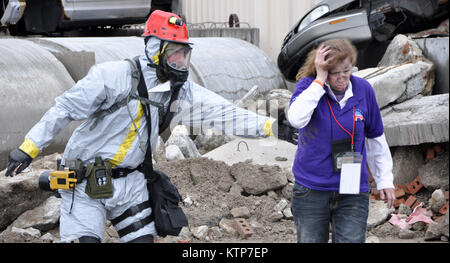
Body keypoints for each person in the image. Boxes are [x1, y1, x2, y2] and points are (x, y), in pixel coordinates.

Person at [4, 10, 297, 243]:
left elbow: (224, 113)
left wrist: (273, 127)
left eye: (185, 54)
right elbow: (64, 109)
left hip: (132, 184)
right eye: (175, 53)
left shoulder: (179, 89)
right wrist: (28, 149)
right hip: (84, 184)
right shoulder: (113, 77)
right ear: (155, 48)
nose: (181, 62)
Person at [287, 38, 395, 243]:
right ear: (322, 69)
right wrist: (319, 80)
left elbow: (375, 138)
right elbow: (296, 119)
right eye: (334, 72)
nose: (341, 78)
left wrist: (384, 180)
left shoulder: (363, 90)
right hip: (312, 189)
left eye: (346, 70)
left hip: (352, 189)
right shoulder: (309, 88)